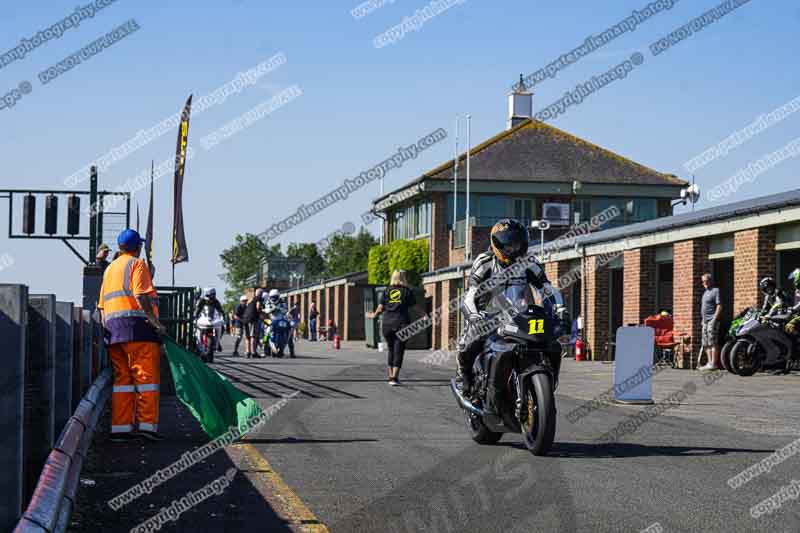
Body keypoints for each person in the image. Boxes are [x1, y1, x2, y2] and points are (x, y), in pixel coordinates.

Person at [455, 219, 567, 416]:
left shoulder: (529, 263)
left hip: (521, 316)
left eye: (517, 244)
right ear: (497, 244)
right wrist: (473, 315)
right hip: (487, 316)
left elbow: (547, 289)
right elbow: (470, 294)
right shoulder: (484, 262)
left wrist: (560, 309)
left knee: (549, 342)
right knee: (468, 343)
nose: (513, 249)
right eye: (508, 244)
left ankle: (547, 380)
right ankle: (465, 377)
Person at [97, 229, 166, 443]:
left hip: (113, 332)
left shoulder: (110, 269)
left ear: (120, 247)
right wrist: (155, 323)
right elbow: (140, 294)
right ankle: (146, 427)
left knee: (123, 381)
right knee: (146, 379)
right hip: (139, 330)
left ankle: (120, 429)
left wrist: (107, 328)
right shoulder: (137, 264)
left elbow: (101, 306)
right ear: (137, 247)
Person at [368, 270, 416, 385]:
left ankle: (390, 376)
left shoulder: (387, 290)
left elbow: (380, 308)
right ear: (403, 278)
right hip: (402, 323)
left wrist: (373, 315)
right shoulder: (407, 291)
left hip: (387, 324)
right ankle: (394, 378)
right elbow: (414, 307)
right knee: (399, 350)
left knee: (391, 350)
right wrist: (424, 315)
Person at [699, 273, 722, 371]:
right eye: (703, 281)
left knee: (713, 342)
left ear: (710, 281)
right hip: (705, 321)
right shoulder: (705, 293)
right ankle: (709, 363)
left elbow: (719, 305)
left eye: (706, 281)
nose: (704, 283)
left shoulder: (715, 291)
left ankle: (714, 363)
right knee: (706, 343)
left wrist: (714, 319)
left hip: (712, 320)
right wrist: (702, 320)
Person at [242, 289, 264, 358]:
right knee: (253, 336)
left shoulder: (251, 299)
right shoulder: (259, 299)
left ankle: (247, 352)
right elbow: (258, 307)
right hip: (252, 319)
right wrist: (262, 311)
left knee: (247, 337)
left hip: (245, 319)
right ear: (261, 294)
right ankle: (253, 352)